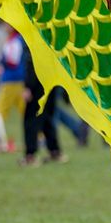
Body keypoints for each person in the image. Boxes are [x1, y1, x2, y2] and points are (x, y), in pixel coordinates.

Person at [20, 38, 66, 166]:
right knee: (47, 118)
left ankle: (30, 156)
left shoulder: (31, 34)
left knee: (31, 118)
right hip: (51, 79)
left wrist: (28, 86)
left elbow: (31, 60)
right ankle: (55, 151)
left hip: (37, 83)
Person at [0, 26, 27, 151]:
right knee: (26, 110)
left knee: (1, 111)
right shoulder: (14, 39)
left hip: (11, 81)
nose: (4, 25)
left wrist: (1, 63)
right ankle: (40, 137)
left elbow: (12, 61)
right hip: (17, 80)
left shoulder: (16, 40)